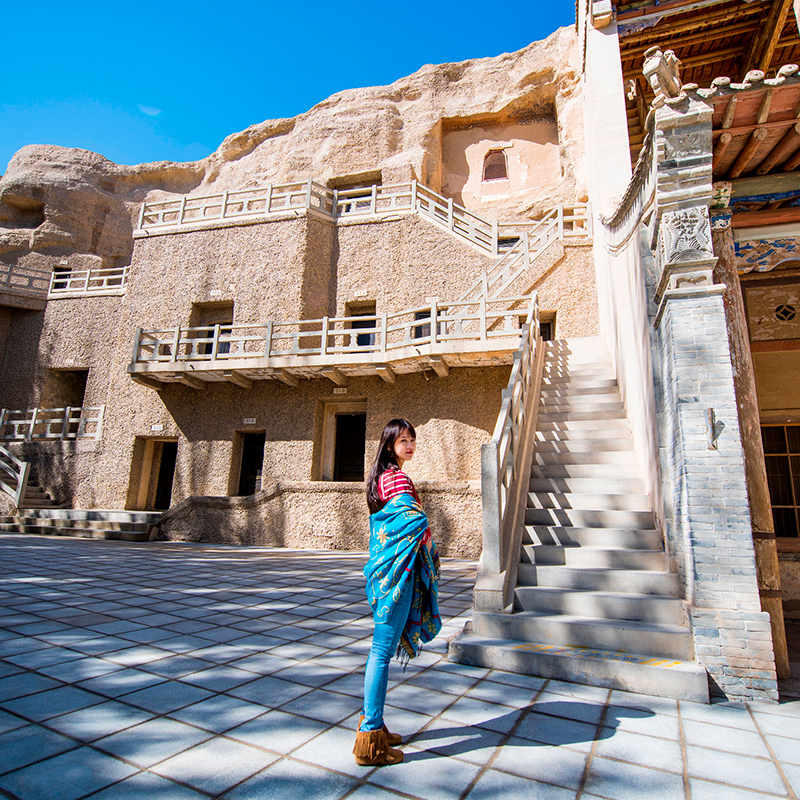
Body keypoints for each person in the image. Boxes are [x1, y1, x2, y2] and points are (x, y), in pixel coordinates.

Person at [353, 418, 441, 767]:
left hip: (388, 574)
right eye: (402, 439)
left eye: (412, 439)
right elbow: (411, 521)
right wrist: (430, 543)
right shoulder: (397, 477)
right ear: (389, 444)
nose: (409, 444)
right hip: (399, 575)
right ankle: (370, 738)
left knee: (381, 651)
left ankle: (374, 723)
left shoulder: (382, 477)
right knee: (380, 652)